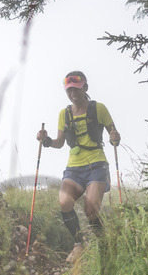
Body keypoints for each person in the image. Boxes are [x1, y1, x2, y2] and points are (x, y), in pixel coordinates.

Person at [36, 70, 120, 262]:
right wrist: (46, 140)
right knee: (64, 202)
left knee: (91, 207)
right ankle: (78, 245)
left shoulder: (99, 109)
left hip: (97, 164)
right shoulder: (63, 114)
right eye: (69, 90)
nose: (73, 93)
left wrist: (115, 138)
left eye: (77, 89)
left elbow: (114, 134)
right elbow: (59, 142)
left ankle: (103, 247)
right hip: (74, 167)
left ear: (85, 88)